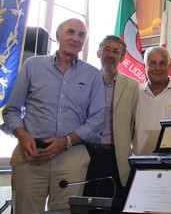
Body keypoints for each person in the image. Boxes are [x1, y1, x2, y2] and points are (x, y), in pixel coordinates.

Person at [1, 18, 105, 213]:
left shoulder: (92, 75)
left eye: (81, 35)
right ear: (58, 36)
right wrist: (23, 136)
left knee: (65, 211)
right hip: (30, 154)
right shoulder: (33, 66)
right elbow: (11, 110)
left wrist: (65, 142)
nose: (75, 38)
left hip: (71, 156)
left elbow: (97, 120)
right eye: (70, 32)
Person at [83, 35, 139, 199]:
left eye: (116, 51)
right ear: (99, 53)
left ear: (122, 57)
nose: (110, 54)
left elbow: (135, 122)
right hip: (86, 152)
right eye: (106, 49)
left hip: (115, 156)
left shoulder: (132, 85)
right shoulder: (85, 81)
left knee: (112, 203)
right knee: (83, 202)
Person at [133, 46, 171, 155]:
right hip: (140, 163)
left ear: (169, 65)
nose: (158, 68)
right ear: (144, 66)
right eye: (152, 63)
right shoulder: (135, 92)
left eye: (162, 63)